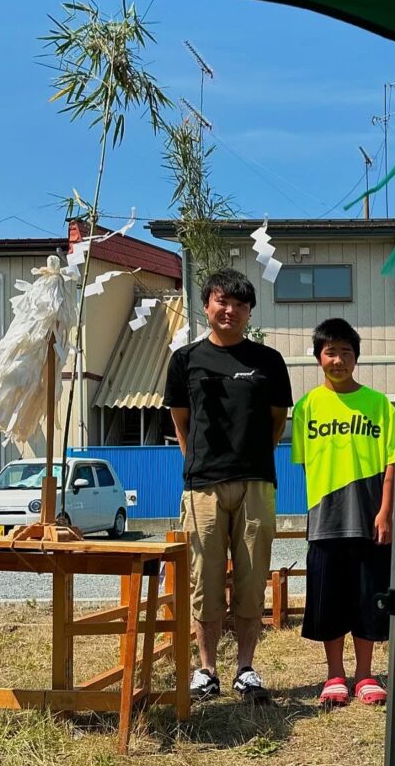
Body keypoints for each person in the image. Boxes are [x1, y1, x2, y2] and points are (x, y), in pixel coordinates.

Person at [164, 269, 293, 705]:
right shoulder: (185, 360)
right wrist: (199, 464)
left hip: (257, 481)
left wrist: (249, 456)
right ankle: (207, 670)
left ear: (249, 312)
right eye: (222, 301)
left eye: (240, 304)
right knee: (204, 579)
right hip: (203, 486)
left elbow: (277, 421)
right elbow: (181, 422)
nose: (230, 311)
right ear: (206, 306)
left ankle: (245, 668)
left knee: (252, 580)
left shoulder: (268, 361)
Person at [292, 318, 395, 707]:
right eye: (330, 352)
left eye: (346, 352)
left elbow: (392, 464)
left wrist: (385, 512)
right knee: (329, 601)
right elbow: (307, 465)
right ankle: (334, 674)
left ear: (357, 357)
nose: (338, 360)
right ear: (319, 357)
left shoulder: (380, 405)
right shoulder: (305, 407)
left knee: (369, 599)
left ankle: (365, 674)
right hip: (325, 521)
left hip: (370, 519)